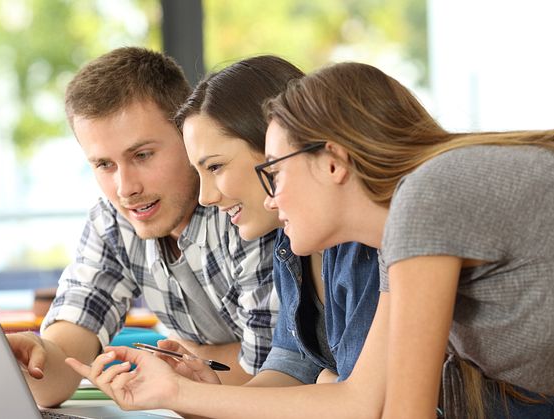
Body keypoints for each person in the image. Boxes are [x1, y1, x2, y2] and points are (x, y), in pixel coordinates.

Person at [63, 61, 554, 419]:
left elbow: (378, 406)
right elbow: (358, 396)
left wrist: (180, 395)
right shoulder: (393, 234)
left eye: (273, 172)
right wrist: (196, 395)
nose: (272, 199)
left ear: (334, 161)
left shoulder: (424, 201)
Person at [66, 55, 379, 405]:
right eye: (104, 164)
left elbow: (363, 402)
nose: (206, 196)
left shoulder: (370, 247)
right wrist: (196, 394)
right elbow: (291, 369)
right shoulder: (289, 245)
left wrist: (191, 394)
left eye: (215, 166)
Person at [6, 47, 280, 408]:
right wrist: (35, 356)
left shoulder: (241, 207)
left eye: (142, 155)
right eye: (104, 164)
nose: (126, 188)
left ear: (188, 135)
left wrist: (185, 362)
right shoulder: (113, 220)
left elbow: (271, 369)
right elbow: (61, 368)